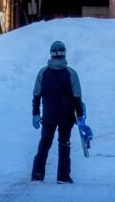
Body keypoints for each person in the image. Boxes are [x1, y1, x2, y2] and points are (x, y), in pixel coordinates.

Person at [31, 40, 85, 184]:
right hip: (67, 116)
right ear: (64, 54)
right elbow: (77, 96)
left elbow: (36, 95)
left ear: (51, 54)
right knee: (64, 143)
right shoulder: (71, 73)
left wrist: (35, 113)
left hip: (48, 116)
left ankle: (37, 174)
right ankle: (63, 176)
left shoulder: (43, 72)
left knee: (44, 143)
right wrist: (80, 116)